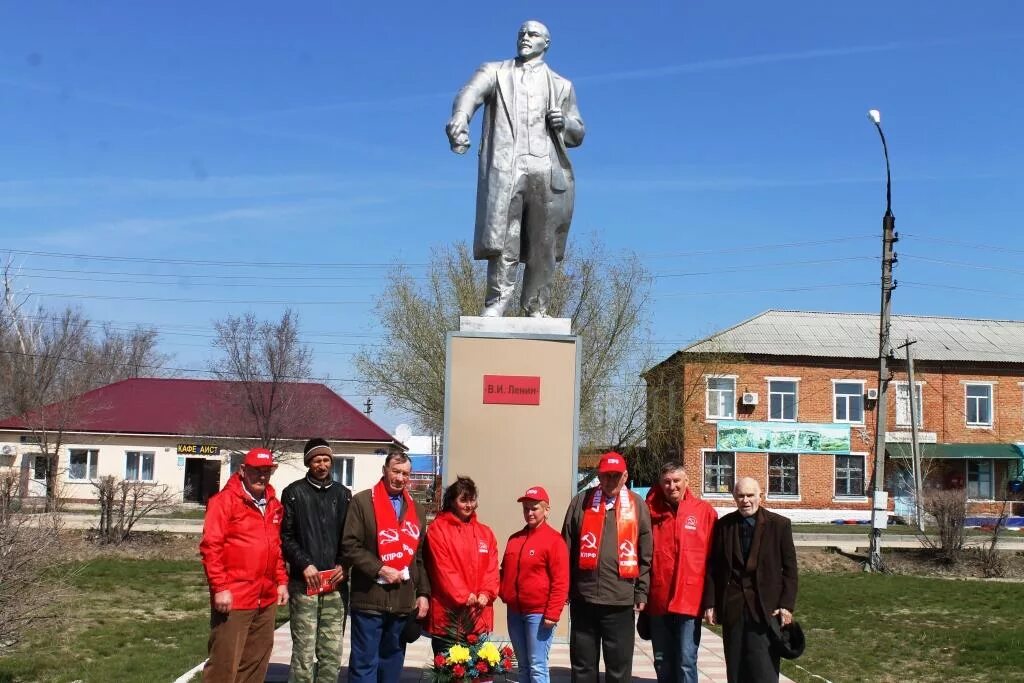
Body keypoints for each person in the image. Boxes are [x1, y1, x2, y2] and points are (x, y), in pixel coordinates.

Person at [446, 20, 585, 318]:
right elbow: (470, 92)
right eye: (522, 33)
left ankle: (536, 306)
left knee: (543, 241)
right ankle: (497, 302)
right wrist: (461, 117)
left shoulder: (562, 85)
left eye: (533, 34)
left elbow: (578, 133)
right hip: (508, 165)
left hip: (546, 168)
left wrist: (565, 123)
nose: (525, 37)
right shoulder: (495, 72)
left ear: (545, 43)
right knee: (503, 237)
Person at [199, 447, 288, 683]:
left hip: (265, 597)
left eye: (267, 471)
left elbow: (275, 547)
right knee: (224, 664)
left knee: (256, 663)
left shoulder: (273, 504)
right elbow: (211, 546)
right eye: (256, 471)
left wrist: (281, 582)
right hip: (235, 597)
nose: (262, 476)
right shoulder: (224, 502)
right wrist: (220, 587)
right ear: (242, 470)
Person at [562, 451, 652, 683]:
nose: (610, 481)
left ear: (625, 476)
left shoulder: (637, 506)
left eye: (615, 476)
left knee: (619, 668)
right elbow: (566, 548)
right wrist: (565, 587)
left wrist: (641, 590)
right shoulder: (581, 502)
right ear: (599, 476)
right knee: (582, 666)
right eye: (605, 476)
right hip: (585, 599)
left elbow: (646, 552)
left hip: (619, 601)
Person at [341, 452, 430, 682]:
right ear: (384, 470)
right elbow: (350, 545)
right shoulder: (362, 502)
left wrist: (423, 594)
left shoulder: (416, 510)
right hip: (370, 599)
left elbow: (418, 557)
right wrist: (380, 568)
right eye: (396, 471)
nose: (400, 478)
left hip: (401, 602)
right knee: (364, 667)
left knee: (391, 667)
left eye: (405, 474)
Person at [703, 477, 798, 683]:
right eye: (740, 496)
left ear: (760, 496)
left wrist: (786, 606)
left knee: (763, 668)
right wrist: (710, 603)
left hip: (766, 608)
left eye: (750, 495)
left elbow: (790, 570)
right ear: (734, 498)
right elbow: (713, 567)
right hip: (733, 606)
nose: (745, 500)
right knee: (736, 668)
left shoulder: (779, 525)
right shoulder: (724, 526)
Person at [279, 438, 352, 683]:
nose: (322, 465)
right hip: (305, 584)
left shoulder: (343, 495)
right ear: (308, 463)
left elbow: (350, 538)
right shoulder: (293, 493)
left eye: (326, 459)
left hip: (334, 584)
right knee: (304, 650)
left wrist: (344, 564)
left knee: (331, 651)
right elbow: (286, 537)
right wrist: (304, 564)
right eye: (317, 460)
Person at [644, 462, 717, 683]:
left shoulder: (703, 512)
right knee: (662, 660)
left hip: (689, 599)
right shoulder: (648, 512)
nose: (672, 486)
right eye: (667, 481)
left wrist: (710, 600)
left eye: (677, 481)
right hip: (659, 599)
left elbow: (714, 560)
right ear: (660, 484)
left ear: (686, 482)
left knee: (686, 659)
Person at [500, 485, 569, 683]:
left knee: (537, 665)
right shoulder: (515, 539)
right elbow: (504, 571)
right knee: (522, 666)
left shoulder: (554, 541)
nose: (529, 512)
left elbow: (561, 581)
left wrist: (552, 614)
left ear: (546, 510)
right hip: (514, 613)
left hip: (538, 615)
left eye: (534, 508)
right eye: (526, 508)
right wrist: (503, 593)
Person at [424, 477, 500, 654]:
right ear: (452, 501)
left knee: (476, 676)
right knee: (448, 674)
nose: (469, 505)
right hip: (448, 616)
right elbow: (442, 569)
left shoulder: (485, 533)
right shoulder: (438, 529)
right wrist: (464, 595)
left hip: (478, 616)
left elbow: (492, 569)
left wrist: (486, 593)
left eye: (472, 500)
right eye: (463, 500)